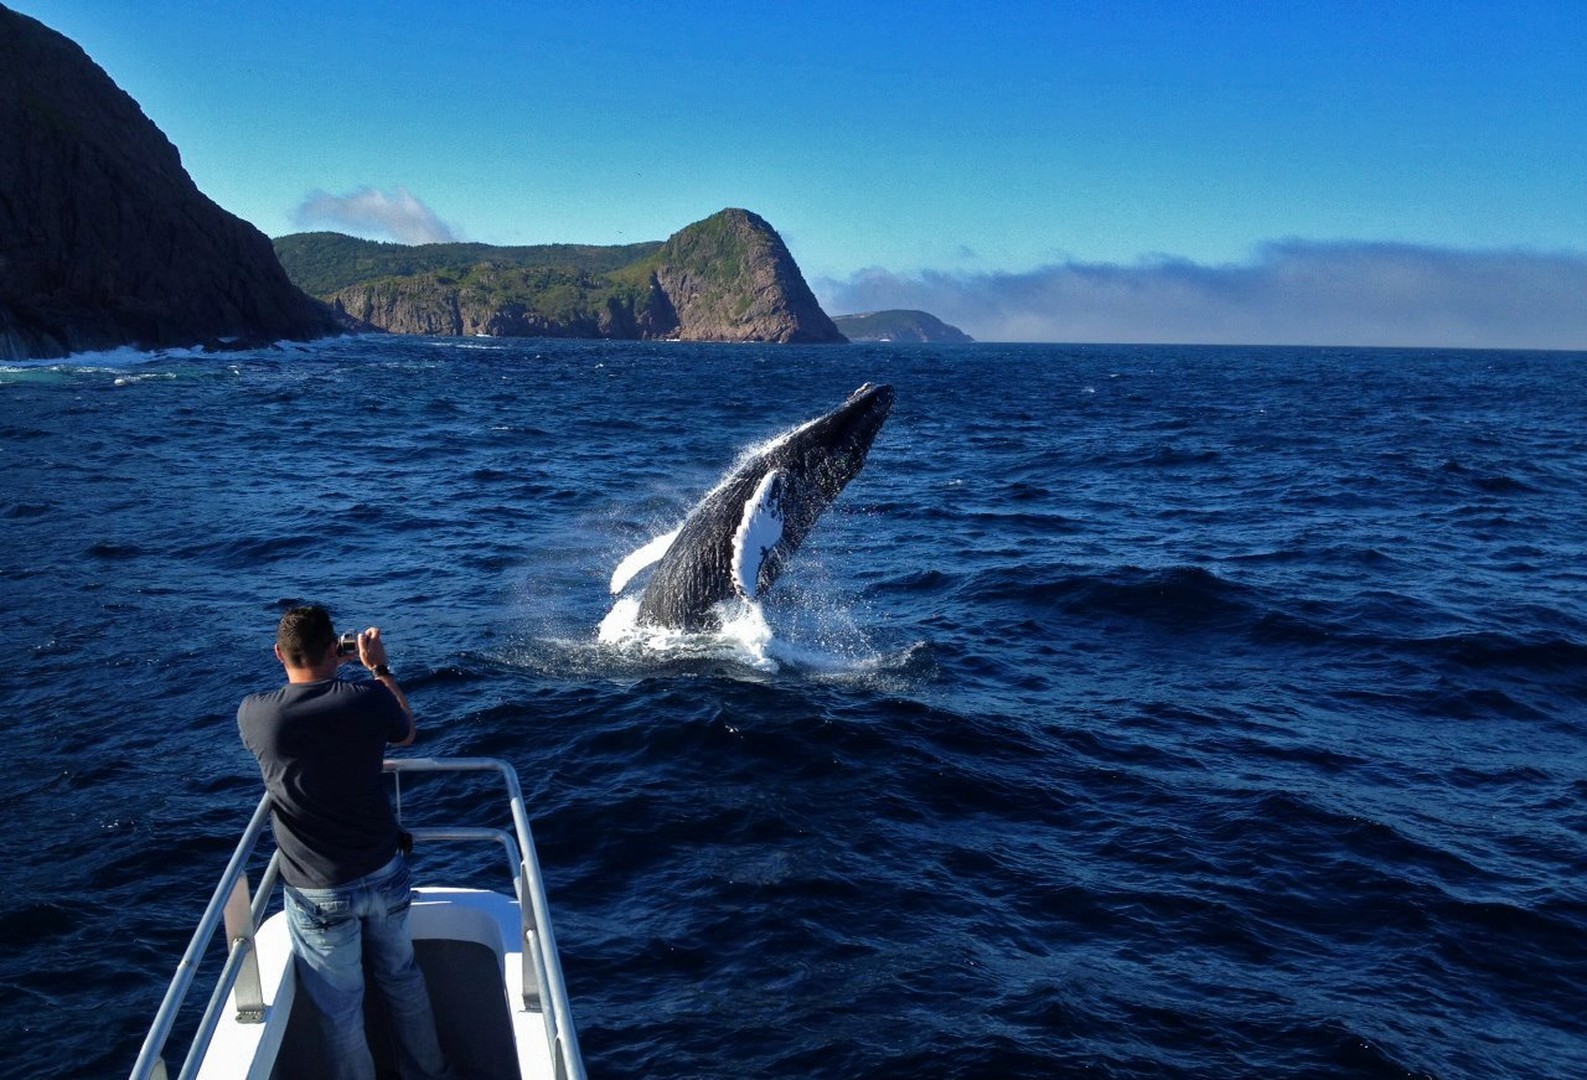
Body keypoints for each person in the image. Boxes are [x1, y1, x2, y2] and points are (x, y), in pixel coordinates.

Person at [238, 604, 452, 1080]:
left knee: (340, 1011)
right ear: (337, 649)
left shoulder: (256, 715)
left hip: (317, 891)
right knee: (403, 981)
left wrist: (333, 667)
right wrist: (377, 667)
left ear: (279, 653)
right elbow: (407, 732)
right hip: (384, 871)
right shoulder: (365, 699)